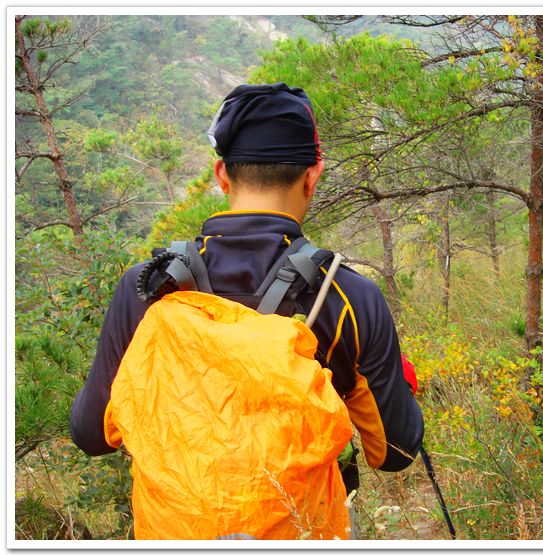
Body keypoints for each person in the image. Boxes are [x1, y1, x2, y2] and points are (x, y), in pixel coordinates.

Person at [70, 82, 424, 537]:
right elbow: (393, 452)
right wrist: (396, 382)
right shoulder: (348, 296)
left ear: (221, 175)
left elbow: (91, 434)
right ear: (312, 176)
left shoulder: (148, 288)